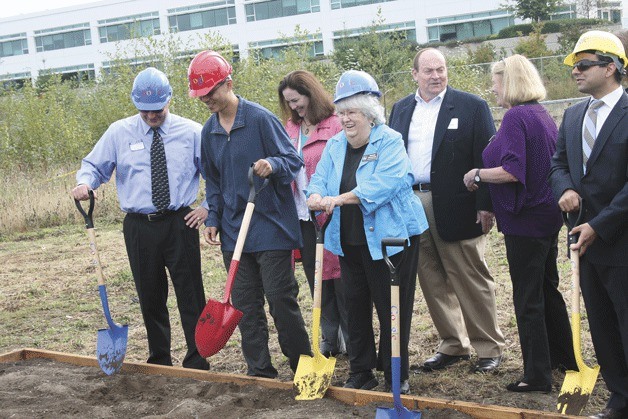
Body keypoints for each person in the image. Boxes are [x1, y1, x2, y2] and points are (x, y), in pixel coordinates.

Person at [71, 67, 209, 370]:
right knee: (150, 295)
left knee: (191, 294)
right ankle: (159, 360)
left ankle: (197, 361)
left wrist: (208, 206)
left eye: (157, 110)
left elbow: (215, 173)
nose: (151, 116)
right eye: (145, 111)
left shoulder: (192, 132)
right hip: (139, 227)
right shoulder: (119, 132)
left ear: (169, 100)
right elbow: (94, 165)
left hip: (180, 222)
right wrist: (86, 182)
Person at [188, 50, 312, 378]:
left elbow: (292, 159)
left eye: (211, 92)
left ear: (229, 83)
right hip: (233, 230)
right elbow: (212, 180)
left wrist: (273, 164)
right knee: (244, 307)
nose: (207, 100)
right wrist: (213, 217)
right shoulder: (208, 132)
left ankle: (304, 368)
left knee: (281, 302)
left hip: (270, 226)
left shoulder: (259, 119)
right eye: (201, 96)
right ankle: (260, 371)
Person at [306, 70, 428, 393]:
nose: (345, 119)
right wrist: (315, 197)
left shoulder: (389, 141)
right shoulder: (334, 145)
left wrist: (337, 199)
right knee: (354, 305)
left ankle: (395, 373)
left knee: (392, 307)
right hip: (348, 239)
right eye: (342, 112)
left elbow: (381, 185)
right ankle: (361, 370)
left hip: (391, 239)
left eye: (352, 112)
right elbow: (318, 180)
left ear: (369, 114)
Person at [462, 54, 577, 393]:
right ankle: (563, 358)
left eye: (495, 81)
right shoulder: (541, 115)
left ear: (509, 82)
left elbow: (513, 170)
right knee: (546, 289)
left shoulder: (515, 117)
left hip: (525, 220)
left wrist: (477, 174)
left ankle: (536, 375)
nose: (492, 88)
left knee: (527, 298)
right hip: (546, 215)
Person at [388, 47, 505, 373]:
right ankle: (453, 344)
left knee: (469, 276)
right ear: (415, 74)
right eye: (429, 71)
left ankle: (488, 347)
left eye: (441, 69)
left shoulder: (471, 107)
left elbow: (487, 157)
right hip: (413, 203)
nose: (436, 76)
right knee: (431, 277)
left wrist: (485, 205)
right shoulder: (400, 109)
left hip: (458, 204)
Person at [549, 30, 628, 419]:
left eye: (583, 65)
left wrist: (601, 223)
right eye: (574, 66)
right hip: (583, 238)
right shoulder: (573, 114)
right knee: (601, 322)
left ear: (611, 67)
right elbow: (558, 162)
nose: (575, 72)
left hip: (620, 238)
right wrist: (564, 189)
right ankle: (620, 398)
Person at [278, 70, 348, 357]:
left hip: (334, 215)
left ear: (311, 94)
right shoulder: (290, 129)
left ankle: (354, 338)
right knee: (317, 279)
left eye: (297, 100)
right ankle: (330, 339)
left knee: (342, 281)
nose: (294, 107)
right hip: (303, 217)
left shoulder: (334, 125)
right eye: (288, 103)